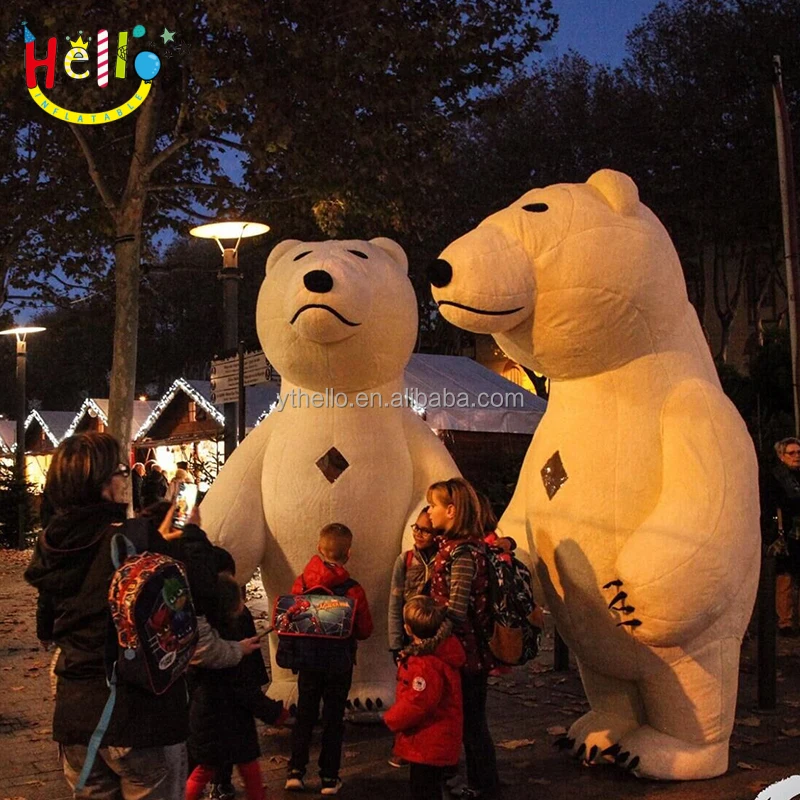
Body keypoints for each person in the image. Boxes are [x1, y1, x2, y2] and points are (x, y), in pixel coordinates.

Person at [24, 432, 189, 799]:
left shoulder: (52, 544)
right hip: (138, 714)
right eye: (121, 471)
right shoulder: (133, 538)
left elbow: (49, 625)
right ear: (102, 485)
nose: (126, 478)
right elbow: (185, 603)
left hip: (77, 718)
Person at [285, 523, 373, 795]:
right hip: (339, 664)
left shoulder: (301, 582)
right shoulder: (353, 590)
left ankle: (295, 772)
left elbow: (290, 619)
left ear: (319, 549)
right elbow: (365, 630)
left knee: (306, 715)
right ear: (348, 553)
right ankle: (329, 778)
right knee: (334, 718)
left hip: (308, 662)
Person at [427, 478, 498, 800]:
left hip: (466, 653)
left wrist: (426, 644)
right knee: (462, 718)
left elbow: (456, 610)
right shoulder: (452, 548)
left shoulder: (464, 553)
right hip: (456, 650)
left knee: (472, 721)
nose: (429, 513)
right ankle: (467, 777)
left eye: (433, 506)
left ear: (451, 510)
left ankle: (482, 783)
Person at [186, 574, 287, 800]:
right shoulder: (234, 652)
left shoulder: (204, 644)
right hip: (235, 725)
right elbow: (247, 691)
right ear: (234, 606)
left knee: (203, 770)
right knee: (250, 769)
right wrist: (275, 713)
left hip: (204, 720)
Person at [383, 596, 465, 800]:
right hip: (434, 737)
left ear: (408, 629)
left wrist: (392, 718)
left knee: (423, 789)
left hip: (428, 738)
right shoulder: (439, 652)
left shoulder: (425, 664)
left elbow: (418, 703)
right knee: (428, 786)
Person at [761, 437, 800, 635]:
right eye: (791, 453)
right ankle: (785, 622)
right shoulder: (775, 478)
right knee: (784, 579)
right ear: (781, 456)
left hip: (796, 530)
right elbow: (770, 508)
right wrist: (776, 526)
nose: (796, 457)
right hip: (785, 534)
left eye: (798, 452)